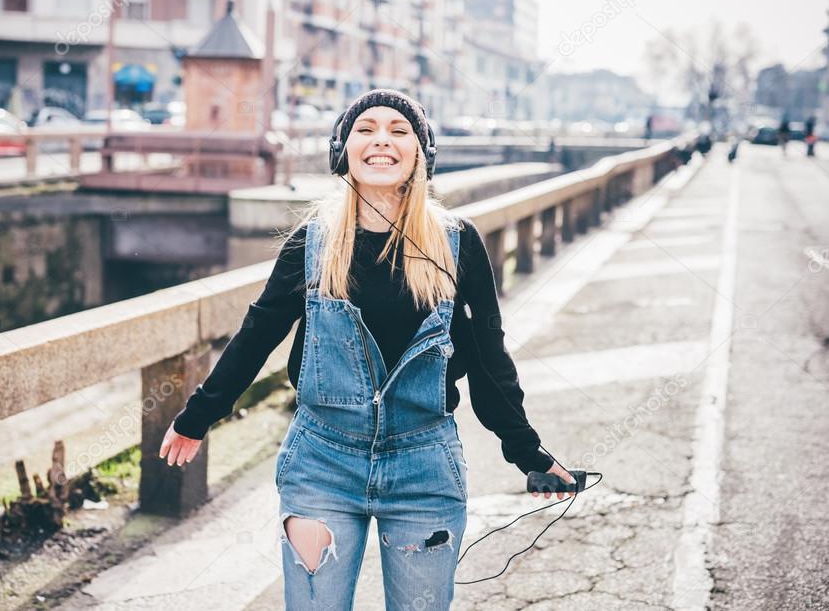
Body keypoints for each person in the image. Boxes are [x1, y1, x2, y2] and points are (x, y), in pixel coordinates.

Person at [159, 89, 573, 609]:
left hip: (424, 466)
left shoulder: (457, 243)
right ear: (343, 151)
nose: (382, 140)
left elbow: (490, 359)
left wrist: (528, 452)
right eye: (366, 129)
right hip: (322, 464)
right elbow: (256, 335)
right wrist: (199, 415)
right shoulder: (311, 245)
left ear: (421, 153)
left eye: (399, 131)